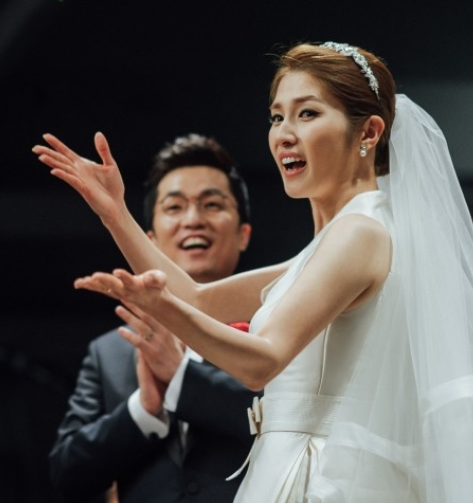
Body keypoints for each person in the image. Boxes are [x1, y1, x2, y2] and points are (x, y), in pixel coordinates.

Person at [33, 41, 473, 503]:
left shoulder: (360, 232)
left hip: (319, 478)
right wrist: (115, 215)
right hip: (289, 464)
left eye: (307, 113)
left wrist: (159, 305)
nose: (284, 133)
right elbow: (200, 299)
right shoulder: (340, 238)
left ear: (369, 131)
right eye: (277, 117)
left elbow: (261, 362)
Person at [47, 133, 260, 503]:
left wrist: (181, 377)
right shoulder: (109, 353)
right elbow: (67, 474)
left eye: (212, 204)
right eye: (174, 207)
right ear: (149, 240)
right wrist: (143, 411)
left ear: (244, 234)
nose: (193, 220)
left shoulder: (275, 330)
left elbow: (292, 424)